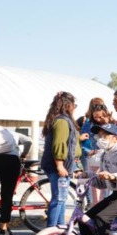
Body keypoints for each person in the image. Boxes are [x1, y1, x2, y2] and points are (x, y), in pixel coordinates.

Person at [40, 91, 81, 227]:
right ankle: (51, 231)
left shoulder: (61, 119)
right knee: (58, 198)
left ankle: (60, 227)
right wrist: (60, 165)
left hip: (64, 165)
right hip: (58, 166)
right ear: (67, 105)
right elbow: (59, 144)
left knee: (61, 198)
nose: (74, 107)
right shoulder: (62, 121)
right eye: (74, 104)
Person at [0, 127, 31, 235]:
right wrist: (24, 155)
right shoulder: (13, 134)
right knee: (7, 194)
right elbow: (29, 141)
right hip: (11, 161)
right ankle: (3, 229)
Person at [79, 102, 113, 206]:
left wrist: (108, 122)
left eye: (101, 116)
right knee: (94, 184)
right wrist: (88, 151)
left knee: (107, 183)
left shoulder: (111, 125)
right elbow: (81, 141)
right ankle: (94, 205)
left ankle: (106, 206)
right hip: (94, 158)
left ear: (106, 114)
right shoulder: (89, 124)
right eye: (95, 117)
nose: (98, 119)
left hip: (109, 158)